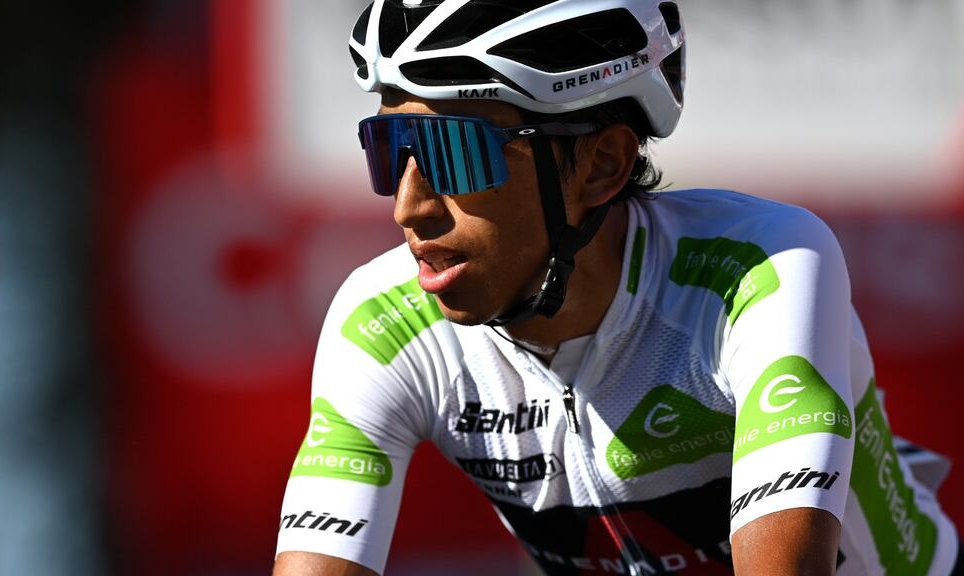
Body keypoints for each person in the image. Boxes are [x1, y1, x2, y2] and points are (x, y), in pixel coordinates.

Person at [274, 1, 960, 574]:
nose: (408, 207)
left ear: (600, 167)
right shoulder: (386, 326)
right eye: (391, 150)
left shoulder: (755, 269)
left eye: (455, 154)